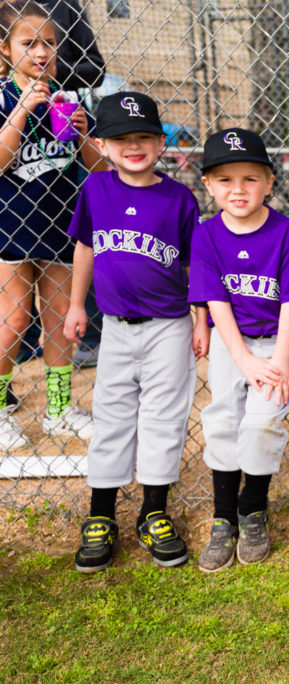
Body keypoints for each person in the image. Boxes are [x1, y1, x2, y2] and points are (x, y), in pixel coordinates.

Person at [64, 92, 204, 572]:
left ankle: (153, 512)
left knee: (164, 418)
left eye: (144, 136)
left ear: (160, 142)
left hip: (169, 325)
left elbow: (193, 266)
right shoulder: (96, 191)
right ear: (101, 144)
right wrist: (76, 304)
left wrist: (200, 319)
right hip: (117, 330)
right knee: (112, 418)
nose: (134, 145)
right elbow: (84, 250)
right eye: (122, 139)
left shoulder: (179, 198)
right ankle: (101, 515)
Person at [190, 128, 289, 572]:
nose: (237, 189)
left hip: (276, 340)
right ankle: (223, 519)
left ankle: (252, 507)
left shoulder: (284, 231)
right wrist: (242, 359)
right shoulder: (206, 234)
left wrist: (278, 362)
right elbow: (216, 302)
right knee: (223, 419)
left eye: (249, 179)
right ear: (208, 185)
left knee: (261, 422)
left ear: (269, 182)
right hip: (231, 343)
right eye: (225, 179)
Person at [0, 0, 103, 449]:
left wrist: (82, 134)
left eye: (50, 43)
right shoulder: (3, 98)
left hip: (61, 225)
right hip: (12, 228)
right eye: (29, 43)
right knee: (15, 318)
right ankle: (1, 406)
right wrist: (21, 111)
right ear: (5, 49)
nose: (42, 52)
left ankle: (60, 408)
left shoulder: (69, 100)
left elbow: (100, 170)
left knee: (62, 319)